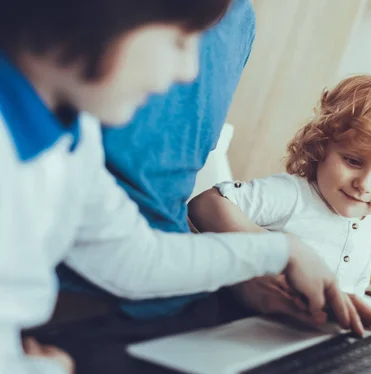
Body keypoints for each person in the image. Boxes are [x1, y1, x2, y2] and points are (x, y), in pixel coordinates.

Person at [0, 1, 360, 374]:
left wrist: (282, 251)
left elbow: (134, 258)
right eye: (178, 40)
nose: (190, 71)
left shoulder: (72, 132)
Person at [57, 0, 260, 320]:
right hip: (83, 297)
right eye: (178, 39)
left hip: (169, 282)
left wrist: (270, 262)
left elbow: (138, 245)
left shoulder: (241, 18)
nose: (189, 70)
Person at [188, 74, 371, 328]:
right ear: (321, 145)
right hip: (254, 326)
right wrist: (275, 247)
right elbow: (206, 203)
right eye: (353, 161)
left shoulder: (369, 224)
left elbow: (356, 290)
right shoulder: (292, 195)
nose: (364, 184)